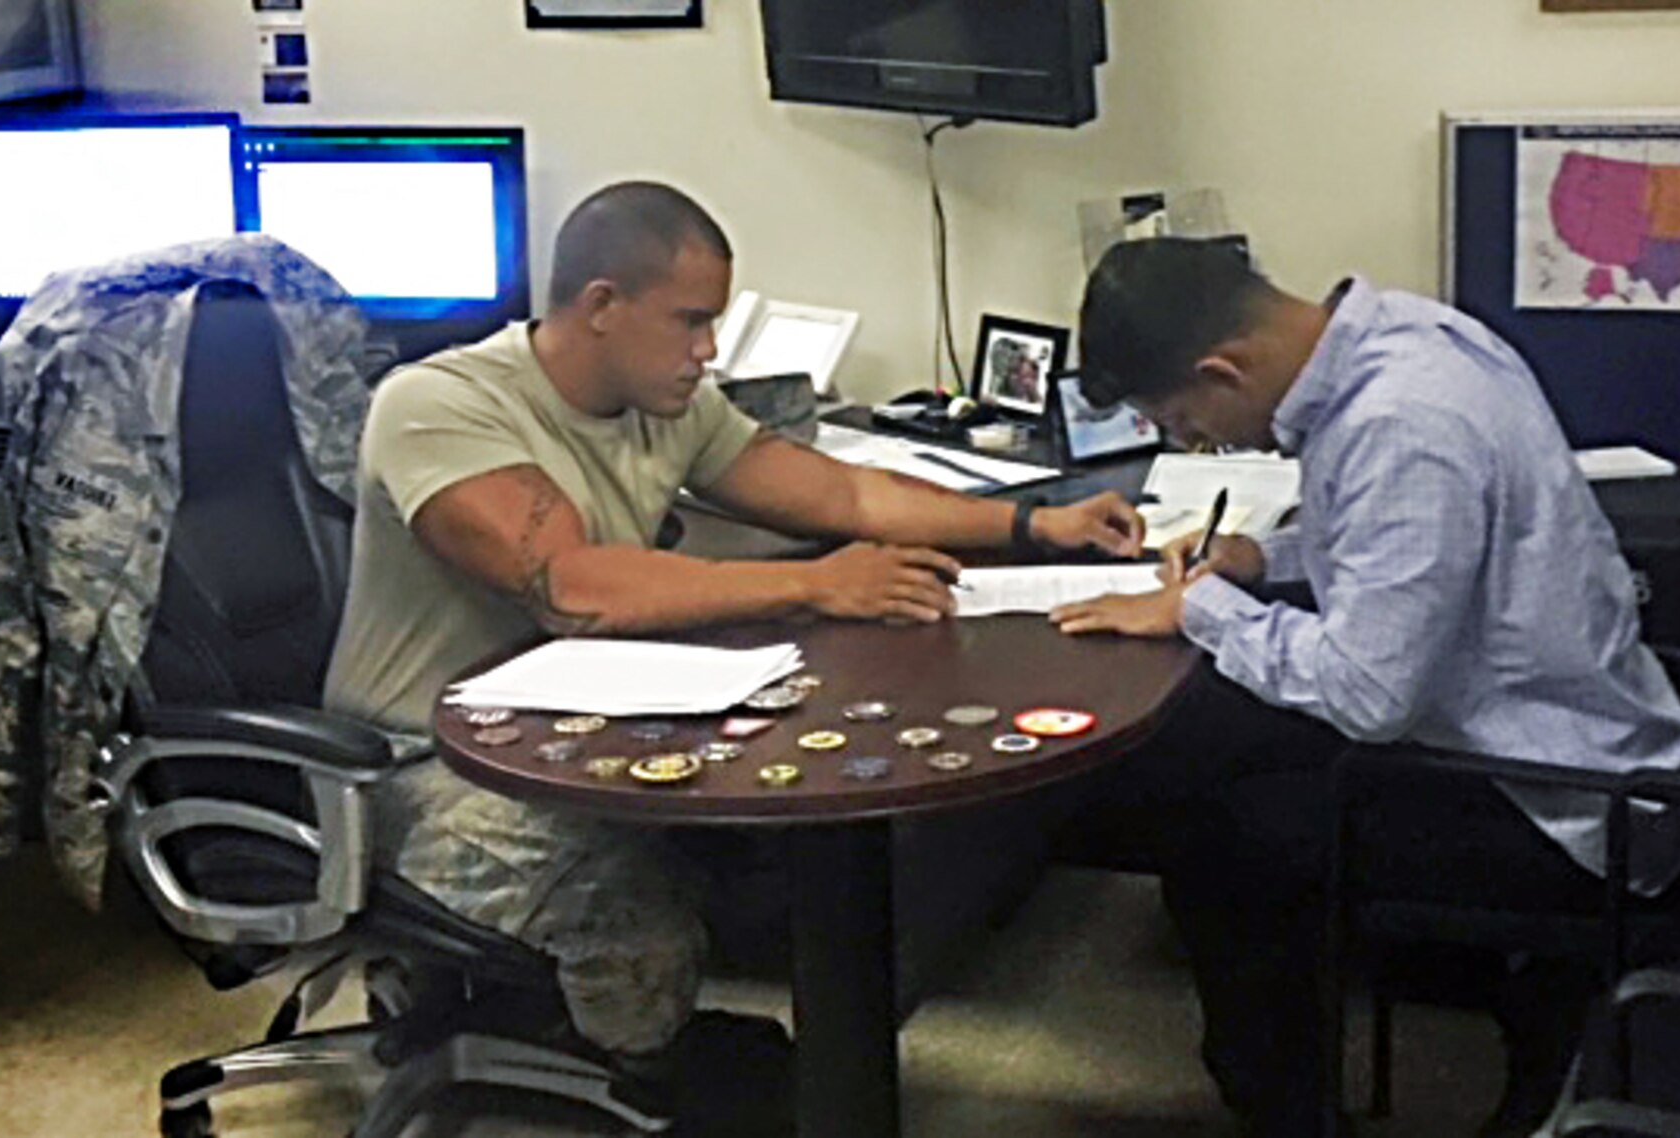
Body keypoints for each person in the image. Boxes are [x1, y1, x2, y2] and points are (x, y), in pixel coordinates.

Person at [322, 182, 1144, 1116]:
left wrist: (1036, 525)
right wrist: (815, 581)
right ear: (600, 306)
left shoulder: (666, 401)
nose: (708, 350)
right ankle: (647, 1090)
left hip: (591, 718)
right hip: (420, 760)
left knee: (836, 798)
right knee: (633, 911)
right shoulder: (440, 403)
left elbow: (847, 499)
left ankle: (786, 1071)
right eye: (689, 322)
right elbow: (571, 586)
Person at [1049, 238, 1680, 1137]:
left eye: (1183, 421)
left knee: (1223, 839)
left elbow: (1368, 696)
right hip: (1562, 729)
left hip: (1561, 803)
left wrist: (1199, 610)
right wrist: (1257, 559)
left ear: (1222, 370)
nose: (1194, 442)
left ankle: (1286, 1116)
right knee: (1215, 742)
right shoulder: (1405, 333)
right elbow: (1394, 543)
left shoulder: (1398, 426)